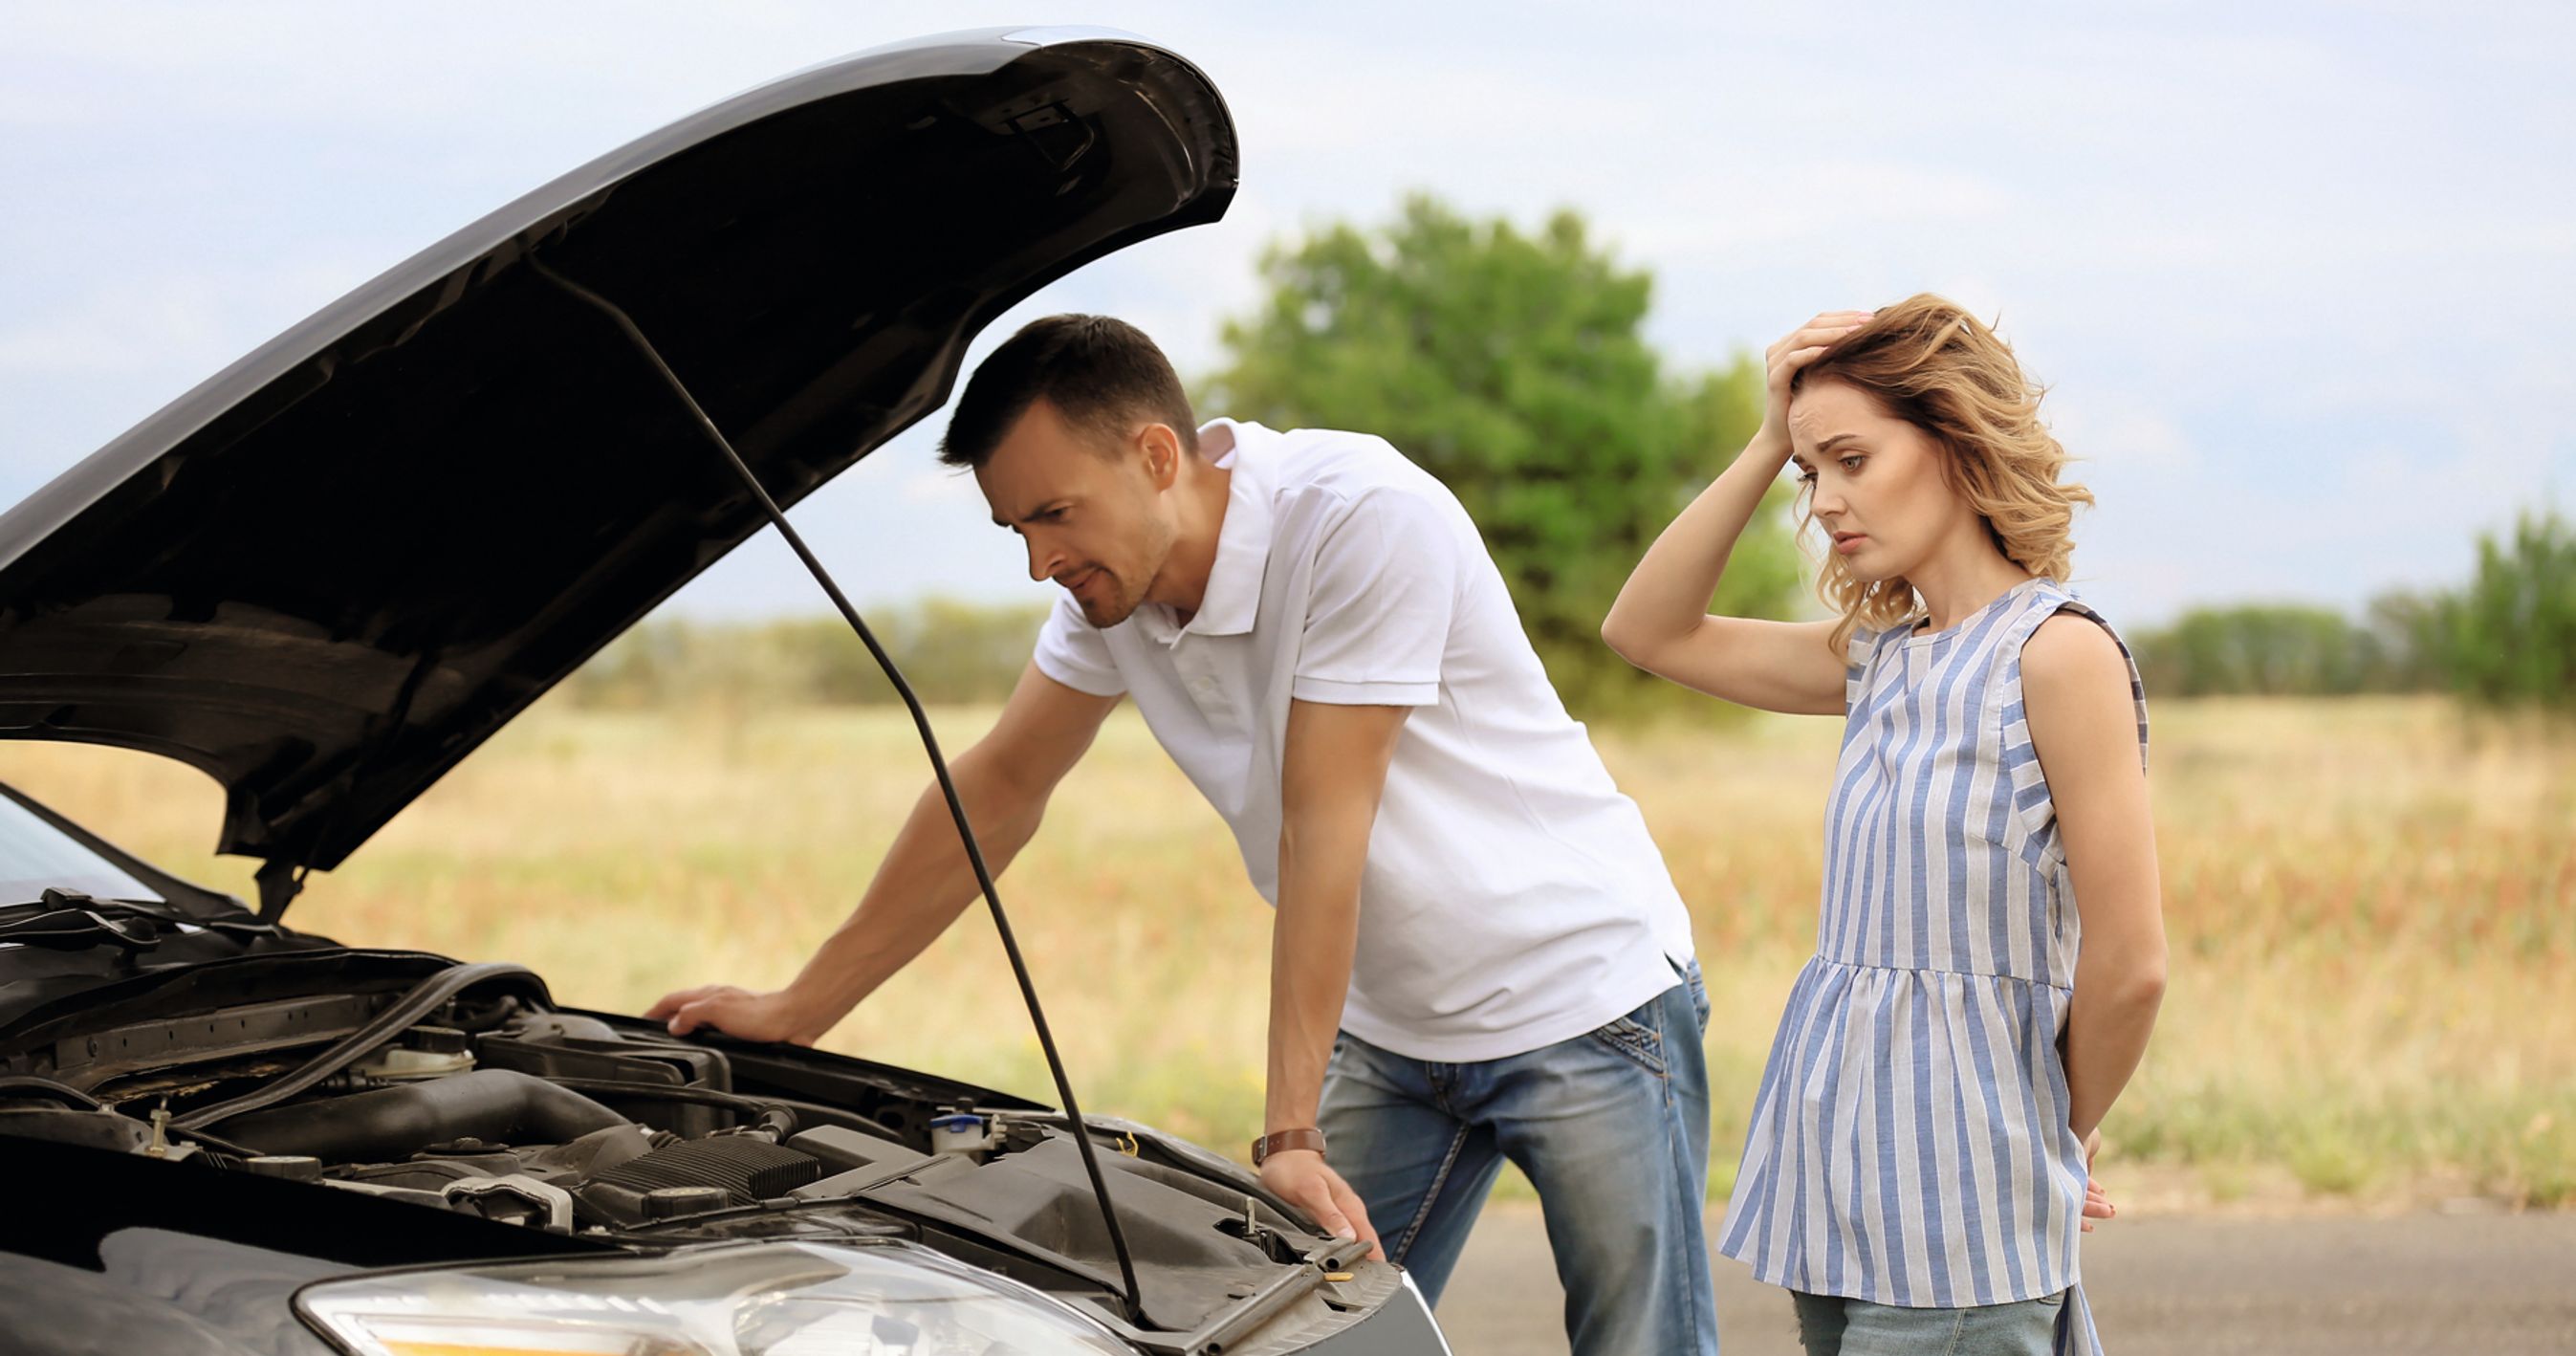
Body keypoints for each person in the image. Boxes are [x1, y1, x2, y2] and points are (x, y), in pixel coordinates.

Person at [648, 315, 1721, 1355]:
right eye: (1017, 527)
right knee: (1296, 1341)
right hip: (1393, 1028)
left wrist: (1288, 1134)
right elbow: (1002, 782)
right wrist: (803, 1005)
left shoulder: (1360, 515)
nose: (1039, 561)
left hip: (1584, 995)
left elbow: (1324, 822)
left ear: (1156, 454)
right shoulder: (1108, 596)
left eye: (1055, 513)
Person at [1603, 296, 2164, 1356]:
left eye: (1853, 458)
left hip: (1962, 1201)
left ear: (1954, 440)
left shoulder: (2059, 653)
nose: (1824, 501)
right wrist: (1773, 435)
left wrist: (2054, 1133)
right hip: (1841, 1178)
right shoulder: (1880, 656)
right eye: (1813, 474)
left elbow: (2132, 965)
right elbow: (1646, 628)